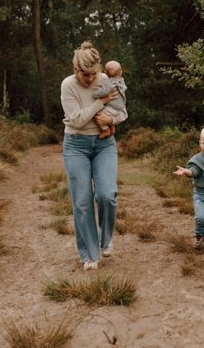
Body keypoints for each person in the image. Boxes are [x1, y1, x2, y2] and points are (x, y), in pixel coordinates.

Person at [60, 42, 128, 271]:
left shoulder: (106, 81)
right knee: (82, 202)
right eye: (84, 74)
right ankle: (89, 254)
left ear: (98, 69)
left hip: (104, 145)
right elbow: (77, 120)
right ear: (75, 69)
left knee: (107, 194)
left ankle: (105, 239)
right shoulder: (68, 85)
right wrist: (101, 102)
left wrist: (111, 120)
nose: (89, 80)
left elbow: (123, 112)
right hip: (76, 145)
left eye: (92, 74)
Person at [92, 60, 127, 139]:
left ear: (105, 72)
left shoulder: (110, 83)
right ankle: (112, 127)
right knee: (108, 113)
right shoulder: (121, 80)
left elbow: (104, 91)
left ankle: (106, 130)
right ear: (120, 73)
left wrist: (95, 94)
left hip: (113, 107)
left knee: (97, 113)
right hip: (120, 106)